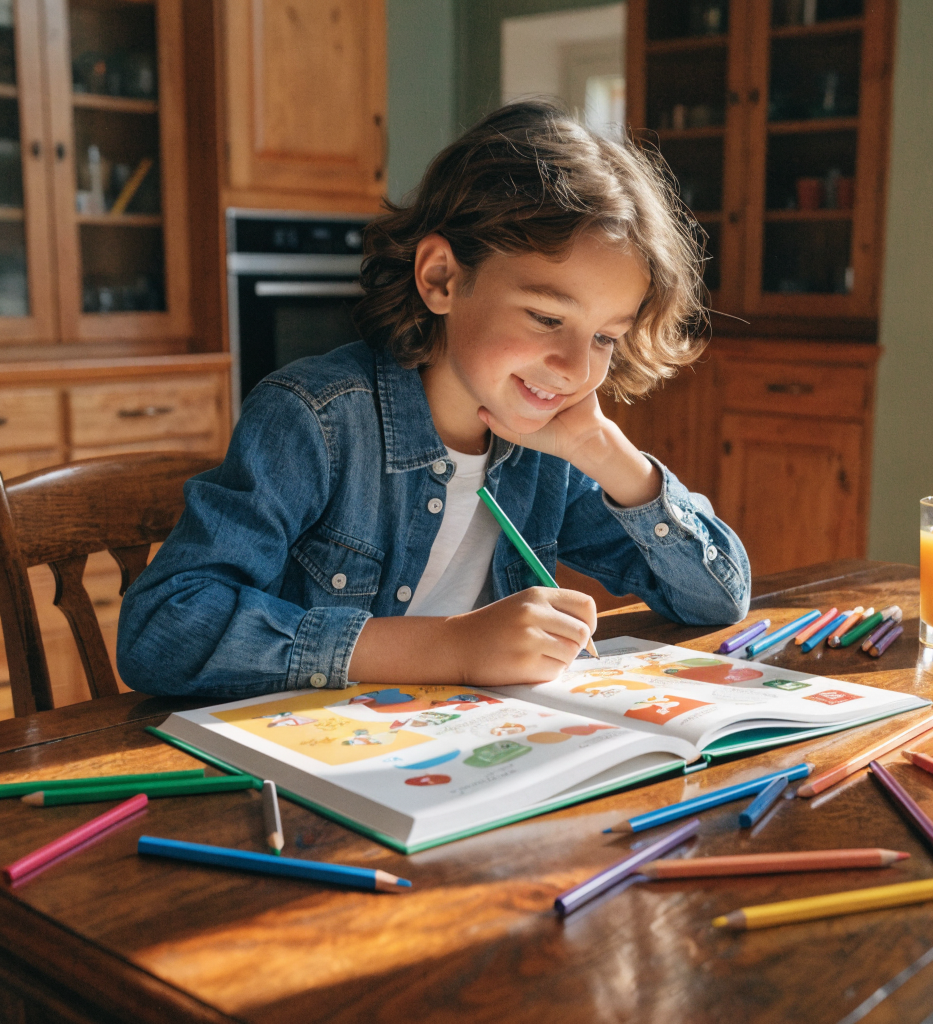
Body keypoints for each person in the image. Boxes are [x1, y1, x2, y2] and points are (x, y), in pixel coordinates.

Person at [117, 101, 750, 699]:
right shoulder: (316, 419)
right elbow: (162, 629)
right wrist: (449, 647)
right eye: (545, 317)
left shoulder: (547, 450)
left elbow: (717, 602)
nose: (576, 369)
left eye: (606, 337)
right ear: (441, 278)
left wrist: (610, 456)